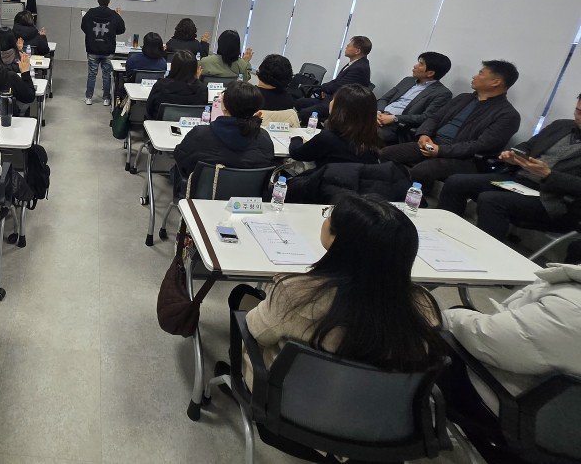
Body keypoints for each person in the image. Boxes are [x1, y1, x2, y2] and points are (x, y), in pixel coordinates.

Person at [244, 194, 444, 388]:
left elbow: (258, 332)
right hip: (383, 407)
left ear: (340, 240)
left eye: (329, 215)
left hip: (290, 399)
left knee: (244, 300)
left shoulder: (296, 293)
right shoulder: (424, 306)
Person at [442, 262, 581, 454]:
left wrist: (445, 316)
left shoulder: (571, 308)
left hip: (521, 419)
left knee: (436, 328)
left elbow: (486, 338)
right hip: (558, 416)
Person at [438, 93, 581, 240]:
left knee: (491, 200)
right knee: (456, 182)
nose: (578, 116)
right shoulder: (561, 126)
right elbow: (528, 145)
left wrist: (548, 175)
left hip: (554, 199)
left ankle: (485, 250)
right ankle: (444, 233)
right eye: (577, 111)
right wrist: (514, 155)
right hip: (520, 180)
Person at [380, 61, 521, 190]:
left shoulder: (507, 115)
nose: (474, 76)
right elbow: (434, 118)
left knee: (422, 170)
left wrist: (440, 150)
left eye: (481, 73)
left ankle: (415, 196)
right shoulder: (463, 98)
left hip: (463, 158)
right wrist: (424, 134)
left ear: (496, 82)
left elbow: (480, 145)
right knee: (387, 153)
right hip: (432, 143)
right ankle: (396, 188)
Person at [172, 82, 274, 194]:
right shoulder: (264, 138)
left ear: (224, 105)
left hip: (203, 197)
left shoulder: (200, 134)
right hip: (246, 198)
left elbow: (181, 160)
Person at [288, 85, 381, 168]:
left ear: (341, 109)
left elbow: (296, 153)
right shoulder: (372, 142)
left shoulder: (328, 138)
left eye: (333, 99)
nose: (330, 102)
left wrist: (297, 139)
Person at [377, 52, 453, 145]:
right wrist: (379, 113)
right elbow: (384, 99)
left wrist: (394, 118)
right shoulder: (408, 80)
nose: (415, 66)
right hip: (379, 116)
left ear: (430, 73)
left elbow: (426, 118)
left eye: (421, 64)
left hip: (397, 126)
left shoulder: (442, 93)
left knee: (364, 130)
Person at [294, 36, 372, 123]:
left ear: (357, 51)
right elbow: (336, 81)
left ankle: (315, 129)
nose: (346, 47)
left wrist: (323, 89)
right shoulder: (354, 64)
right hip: (331, 99)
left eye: (349, 46)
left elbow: (340, 87)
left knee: (305, 113)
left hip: (341, 106)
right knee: (299, 103)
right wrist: (323, 88)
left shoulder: (360, 68)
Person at [80, 0, 125, 106]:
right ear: (109, 1)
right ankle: (106, 99)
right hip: (108, 49)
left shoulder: (90, 13)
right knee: (107, 75)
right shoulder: (114, 14)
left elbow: (84, 27)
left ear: (97, 0)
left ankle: (89, 98)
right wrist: (119, 16)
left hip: (92, 48)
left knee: (92, 74)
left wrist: (91, 35)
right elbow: (121, 29)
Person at [145, 50, 208, 121]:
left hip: (160, 125)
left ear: (173, 67)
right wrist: (196, 79)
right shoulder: (202, 89)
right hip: (191, 126)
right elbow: (202, 112)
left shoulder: (160, 85)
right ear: (195, 69)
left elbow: (149, 109)